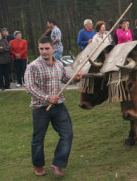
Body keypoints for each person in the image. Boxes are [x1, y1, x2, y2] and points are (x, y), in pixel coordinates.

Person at [24, 36, 83, 177]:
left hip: (59, 107)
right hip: (40, 108)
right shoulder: (33, 66)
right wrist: (47, 97)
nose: (44, 52)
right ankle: (38, 166)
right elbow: (30, 87)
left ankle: (57, 164)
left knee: (67, 134)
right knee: (38, 138)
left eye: (47, 48)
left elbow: (64, 79)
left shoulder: (59, 64)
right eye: (41, 49)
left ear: (53, 49)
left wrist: (75, 79)